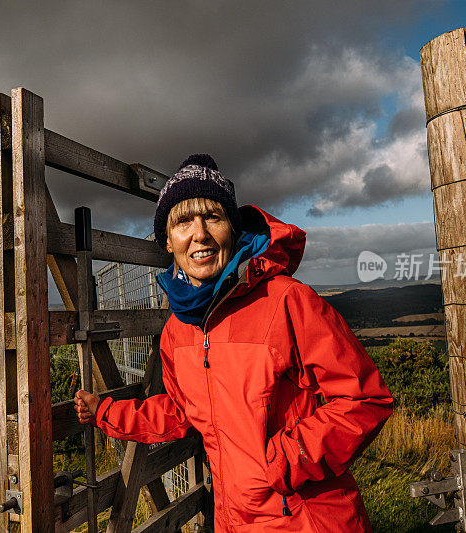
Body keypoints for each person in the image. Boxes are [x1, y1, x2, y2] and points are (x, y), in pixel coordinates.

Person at [75, 154, 393, 532]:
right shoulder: (178, 330)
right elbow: (182, 410)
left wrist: (287, 459)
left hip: (305, 520)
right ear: (167, 241)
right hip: (233, 521)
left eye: (213, 217)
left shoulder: (286, 301)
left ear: (233, 228)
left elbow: (363, 400)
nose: (200, 234)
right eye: (182, 221)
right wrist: (106, 413)